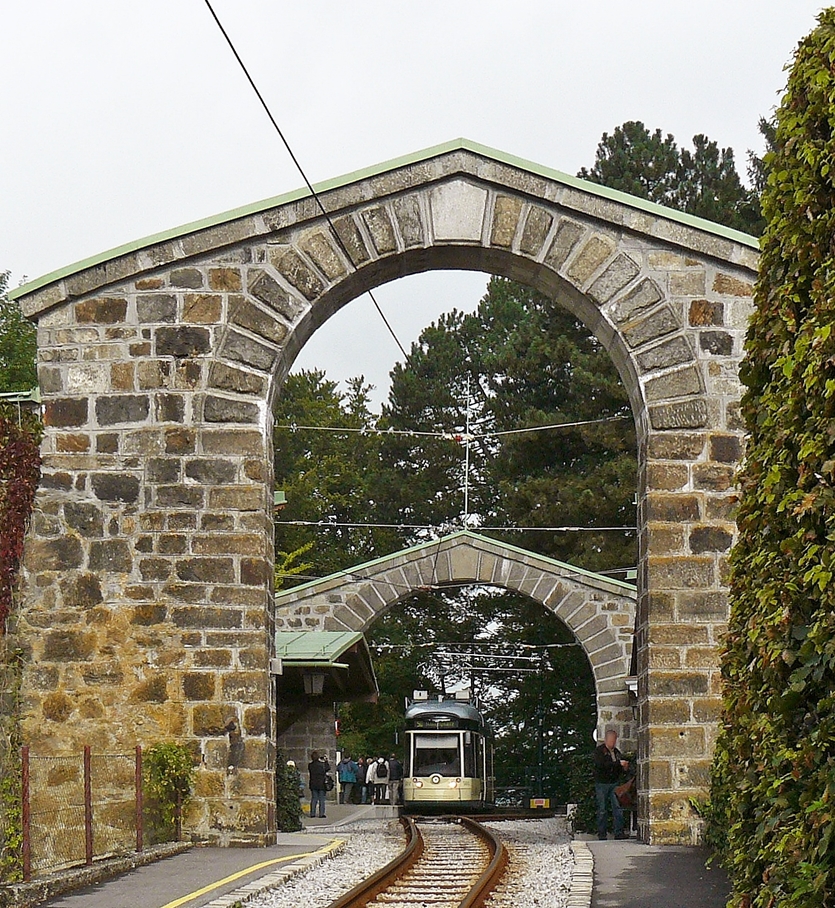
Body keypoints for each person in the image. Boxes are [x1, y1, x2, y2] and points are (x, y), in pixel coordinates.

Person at [593, 729, 629, 840]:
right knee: (602, 809)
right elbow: (602, 765)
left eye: (614, 740)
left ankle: (618, 832)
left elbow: (618, 769)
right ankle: (602, 834)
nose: (612, 742)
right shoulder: (600, 751)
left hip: (614, 783)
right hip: (602, 783)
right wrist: (618, 764)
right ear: (606, 740)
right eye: (611, 740)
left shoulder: (617, 752)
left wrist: (624, 768)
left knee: (617, 808)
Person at [308, 750, 330, 819]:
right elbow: (327, 768)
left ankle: (312, 813)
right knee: (321, 799)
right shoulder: (321, 765)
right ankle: (321, 813)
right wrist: (326, 761)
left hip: (313, 783)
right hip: (321, 784)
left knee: (314, 799)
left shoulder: (310, 765)